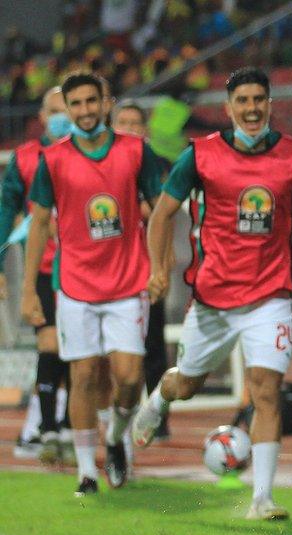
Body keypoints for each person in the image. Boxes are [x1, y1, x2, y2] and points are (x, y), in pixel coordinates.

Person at [132, 67, 292, 521]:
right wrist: (159, 268)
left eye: (259, 100)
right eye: (243, 101)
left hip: (270, 297)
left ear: (269, 103)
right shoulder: (200, 156)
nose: (252, 108)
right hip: (212, 298)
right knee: (187, 384)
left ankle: (262, 497)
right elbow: (162, 213)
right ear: (229, 107)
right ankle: (159, 398)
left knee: (265, 390)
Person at [20, 72, 163, 496]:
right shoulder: (54, 159)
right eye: (75, 104)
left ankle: (116, 437)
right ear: (67, 108)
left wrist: (163, 267)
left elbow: (161, 211)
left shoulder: (136, 151)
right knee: (82, 375)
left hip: (128, 282)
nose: (83, 111)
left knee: (130, 376)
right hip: (75, 286)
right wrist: (29, 288)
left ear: (107, 102)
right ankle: (86, 471)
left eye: (90, 102)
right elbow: (39, 223)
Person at [0, 86, 74, 465]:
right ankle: (48, 428)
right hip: (43, 268)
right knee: (50, 346)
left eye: (68, 109)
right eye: (55, 110)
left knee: (80, 354)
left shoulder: (89, 152)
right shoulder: (26, 159)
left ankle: (68, 425)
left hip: (84, 270)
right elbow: (5, 209)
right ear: (42, 116)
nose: (62, 116)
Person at [112, 99, 172, 441]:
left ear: (145, 131)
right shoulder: (105, 162)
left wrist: (162, 264)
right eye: (124, 123)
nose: (130, 129)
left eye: (136, 123)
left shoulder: (155, 164)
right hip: (110, 271)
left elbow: (160, 214)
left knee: (152, 344)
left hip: (145, 268)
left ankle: (157, 414)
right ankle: (117, 414)